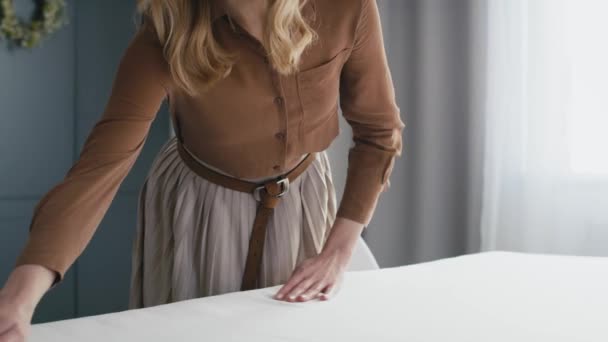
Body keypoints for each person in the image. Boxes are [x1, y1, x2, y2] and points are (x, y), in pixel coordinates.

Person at [0, 0, 404, 339]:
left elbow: (379, 133)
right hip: (200, 208)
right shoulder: (166, 38)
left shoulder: (346, 7)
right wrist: (19, 298)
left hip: (304, 199)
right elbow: (98, 169)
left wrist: (338, 251)